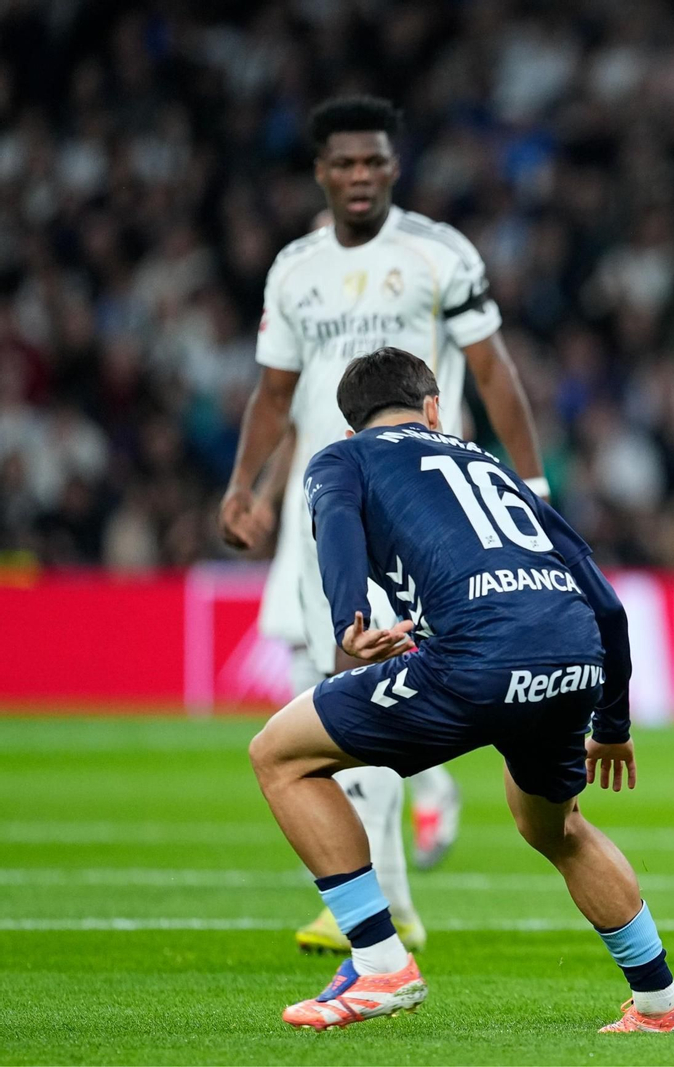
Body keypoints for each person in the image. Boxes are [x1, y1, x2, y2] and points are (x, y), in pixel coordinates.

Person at [249, 347, 674, 1033]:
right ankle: (662, 1003)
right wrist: (611, 723)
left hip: (477, 656)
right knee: (556, 826)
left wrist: (351, 619)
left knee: (279, 752)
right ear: (434, 408)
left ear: (351, 428)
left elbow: (334, 526)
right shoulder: (488, 464)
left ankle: (378, 963)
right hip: (572, 651)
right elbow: (607, 603)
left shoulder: (345, 458)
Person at [219, 95, 549, 953]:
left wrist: (534, 480)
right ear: (321, 171)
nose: (361, 176)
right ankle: (395, 883)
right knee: (321, 679)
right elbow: (275, 392)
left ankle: (379, 891)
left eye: (375, 162)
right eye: (345, 163)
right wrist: (243, 483)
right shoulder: (294, 269)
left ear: (393, 167)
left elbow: (492, 368)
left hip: (421, 503)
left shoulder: (437, 254)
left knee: (356, 682)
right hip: (323, 501)